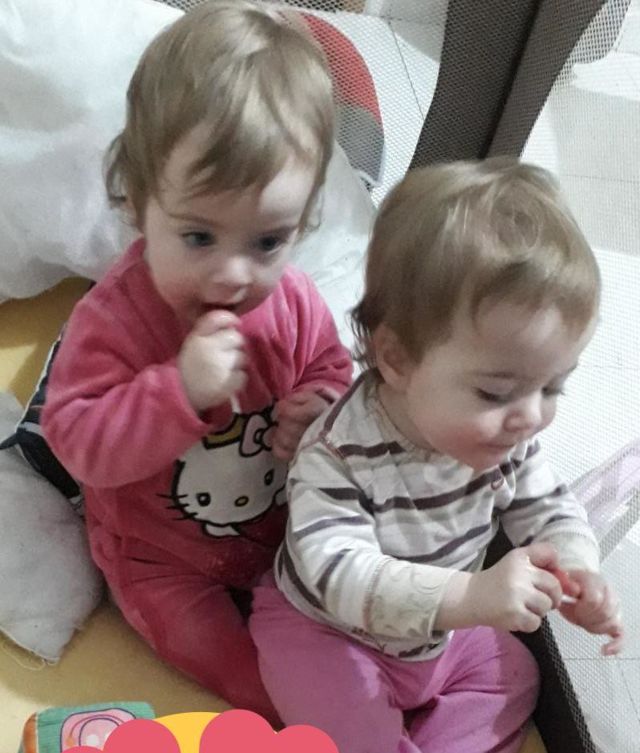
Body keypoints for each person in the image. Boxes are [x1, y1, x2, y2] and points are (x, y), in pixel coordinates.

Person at [41, 0, 352, 723]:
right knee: (241, 670)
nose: (233, 275)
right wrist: (176, 390)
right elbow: (77, 442)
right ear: (139, 202)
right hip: (159, 560)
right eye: (199, 237)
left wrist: (320, 409)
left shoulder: (294, 302)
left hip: (278, 529)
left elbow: (330, 368)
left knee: (356, 628)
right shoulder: (116, 319)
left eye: (268, 241)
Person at [249, 159, 624, 751]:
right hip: (327, 634)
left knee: (516, 675)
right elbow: (340, 574)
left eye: (553, 387)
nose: (529, 415)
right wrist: (470, 598)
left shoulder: (508, 437)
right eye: (496, 392)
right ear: (397, 360)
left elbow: (549, 508)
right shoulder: (338, 452)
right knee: (348, 726)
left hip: (438, 638)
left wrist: (578, 569)